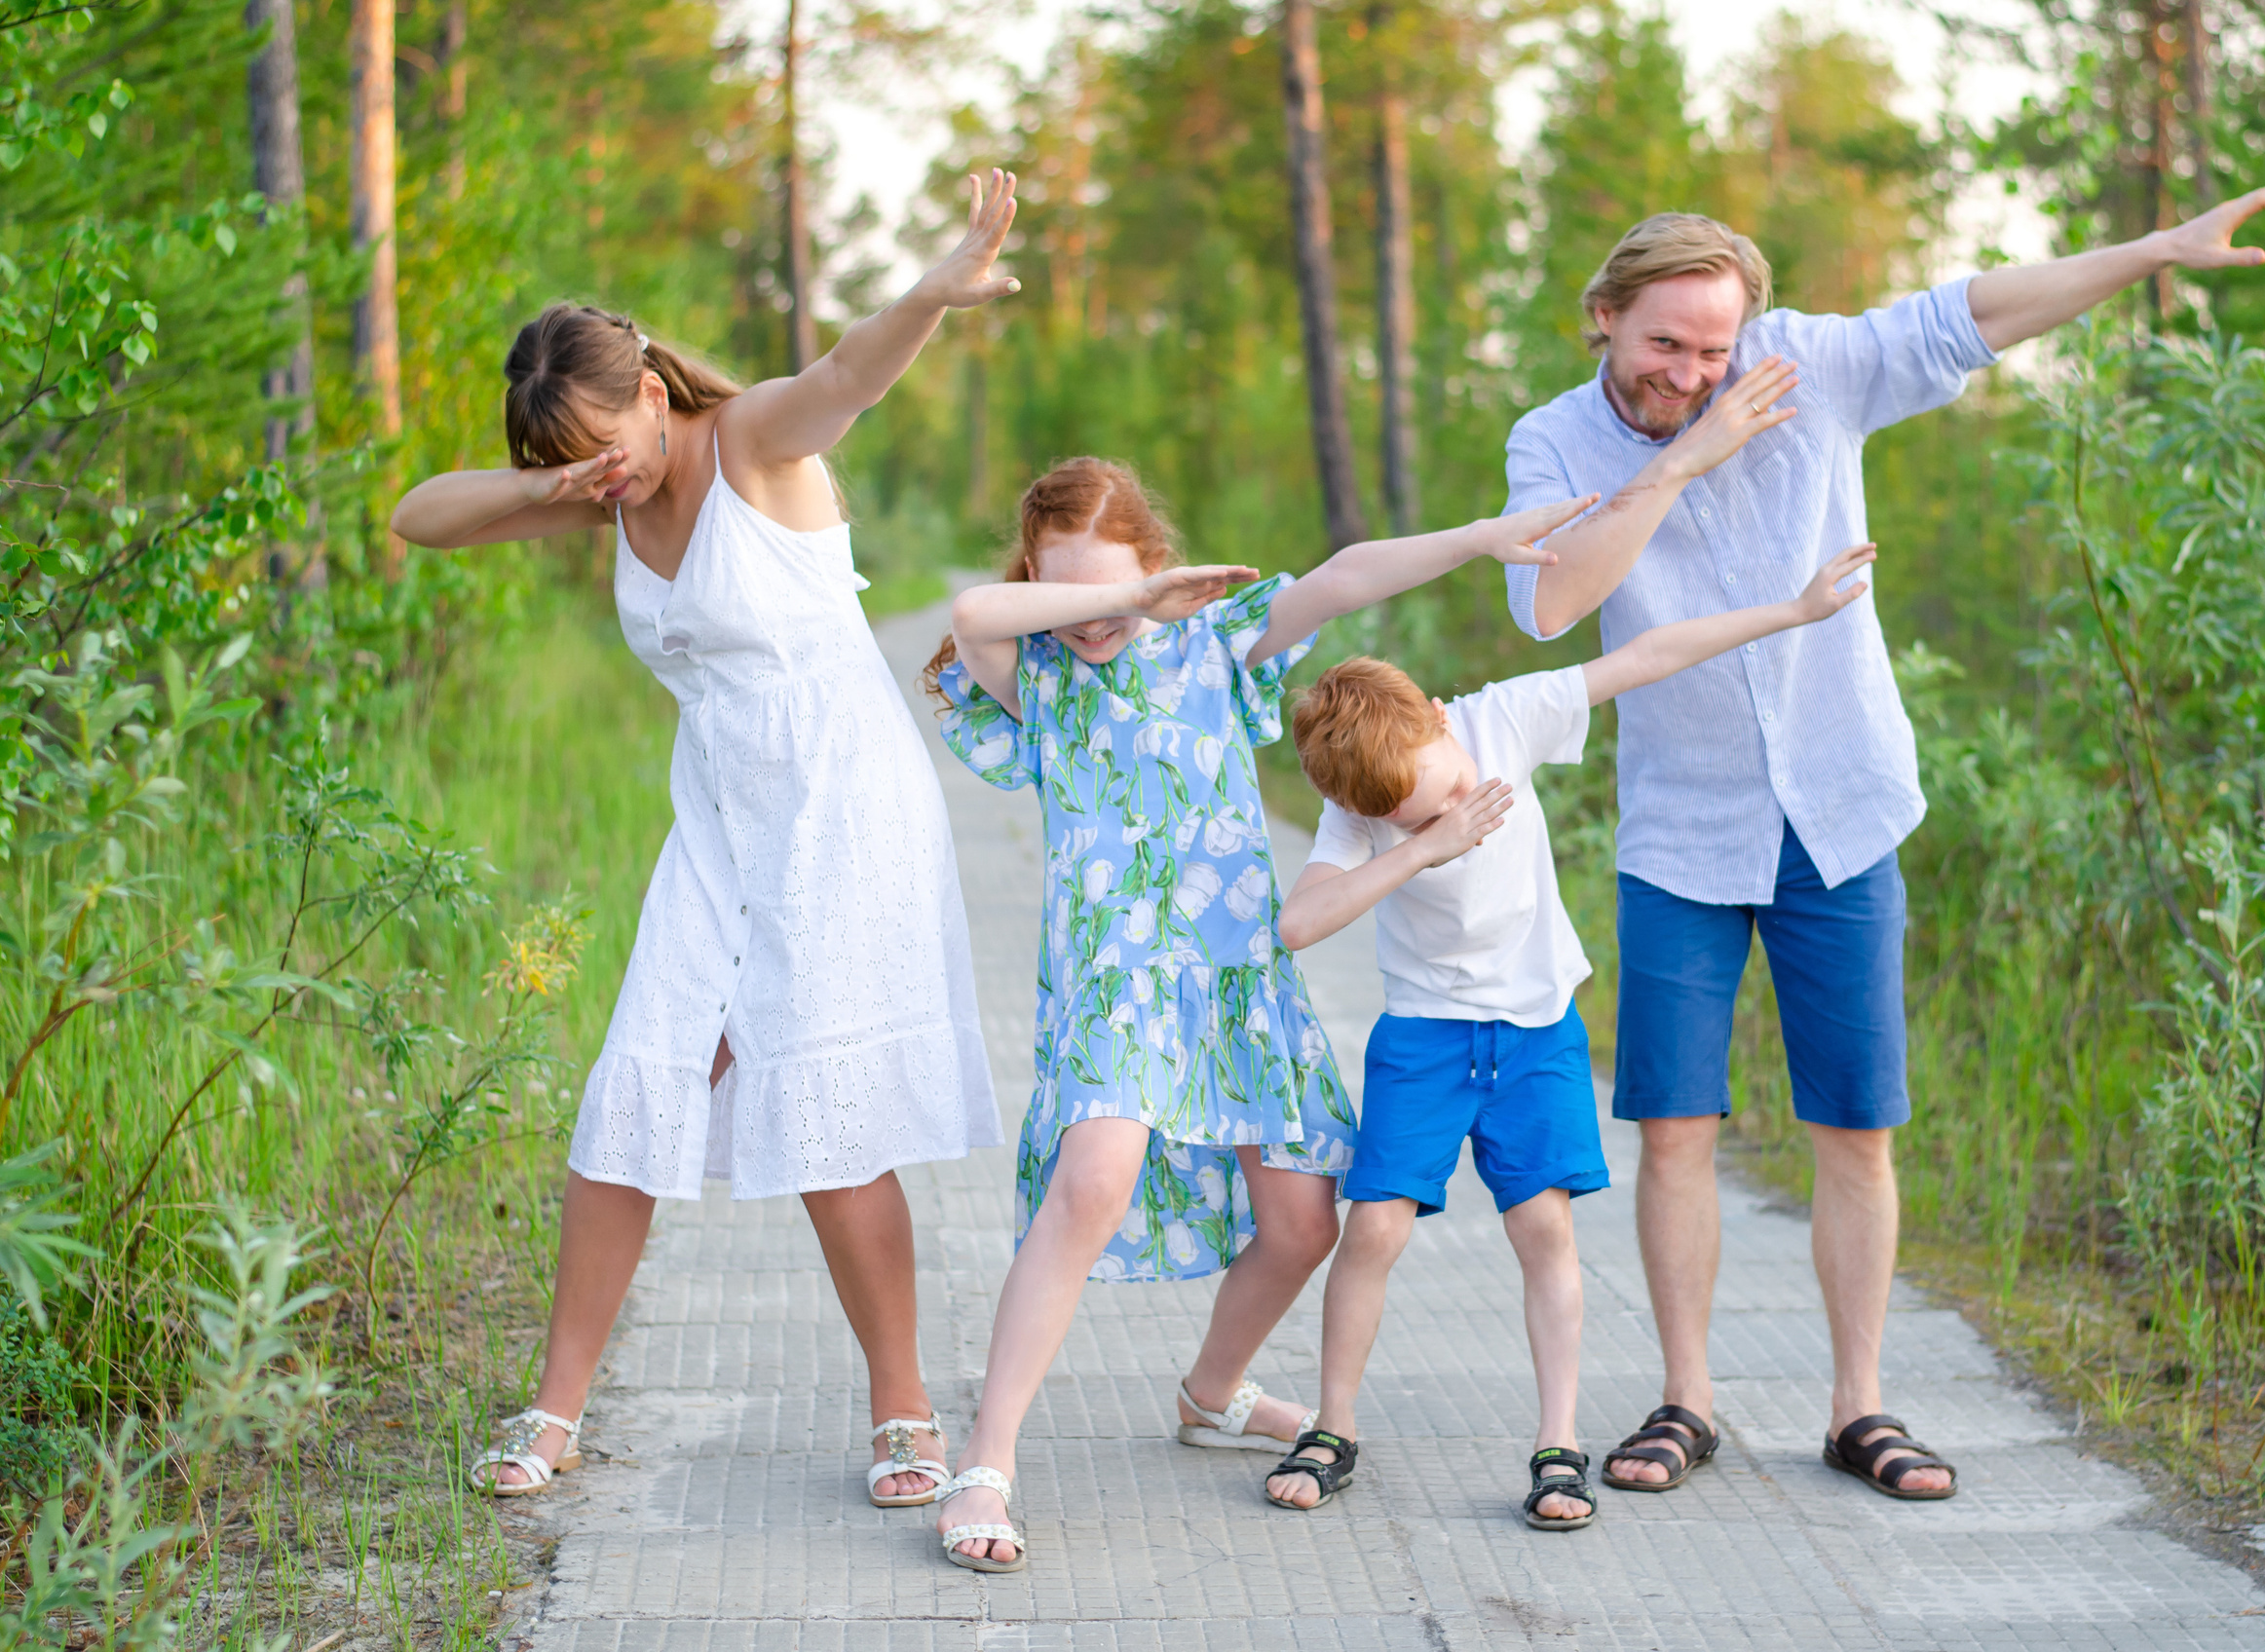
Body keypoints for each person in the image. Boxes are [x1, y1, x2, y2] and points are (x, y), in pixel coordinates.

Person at [1502, 181, 2265, 1501]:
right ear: (1603, 322)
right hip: (1679, 834)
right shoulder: (1551, 441)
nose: (1697, 375)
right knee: (1675, 1132)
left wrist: (2158, 250)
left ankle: (1857, 1409)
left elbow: (1978, 313)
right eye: (1667, 347)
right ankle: (1685, 1402)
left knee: (1857, 1130)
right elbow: (1551, 606)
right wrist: (1681, 463)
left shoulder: (1809, 366)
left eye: (1716, 350)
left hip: (1841, 809)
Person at [391, 171, 1027, 1508]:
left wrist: (935, 284)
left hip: (841, 807)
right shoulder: (605, 491)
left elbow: (846, 373)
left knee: (825, 1118)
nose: (606, 464)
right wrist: (565, 483)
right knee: (638, 1080)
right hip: (722, 821)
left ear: (654, 389)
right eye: (569, 447)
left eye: (608, 430)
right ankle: (554, 1412)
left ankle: (905, 1407)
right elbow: (420, 518)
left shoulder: (752, 444)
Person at [921, 458, 1594, 1571]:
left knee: (1299, 1224)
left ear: (1158, 558)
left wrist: (1480, 535)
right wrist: (1111, 600)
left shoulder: (1214, 639)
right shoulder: (1033, 671)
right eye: (1070, 594)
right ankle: (985, 1460)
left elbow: (1344, 577)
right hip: (1116, 982)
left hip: (1239, 980)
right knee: (1093, 1179)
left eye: (1117, 587)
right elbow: (972, 611)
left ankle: (1211, 1392)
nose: (1093, 619)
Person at [1263, 531, 1874, 1530]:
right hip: (1422, 1037)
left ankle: (1557, 1444)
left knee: (1542, 1226)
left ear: (1436, 720)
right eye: (1419, 816)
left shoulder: (1499, 718)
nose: (1454, 809)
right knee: (1370, 1228)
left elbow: (1645, 656)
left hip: (1534, 1032)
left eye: (1452, 786)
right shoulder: (1366, 813)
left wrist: (1794, 610)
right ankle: (1333, 1426)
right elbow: (1297, 925)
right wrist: (1420, 850)